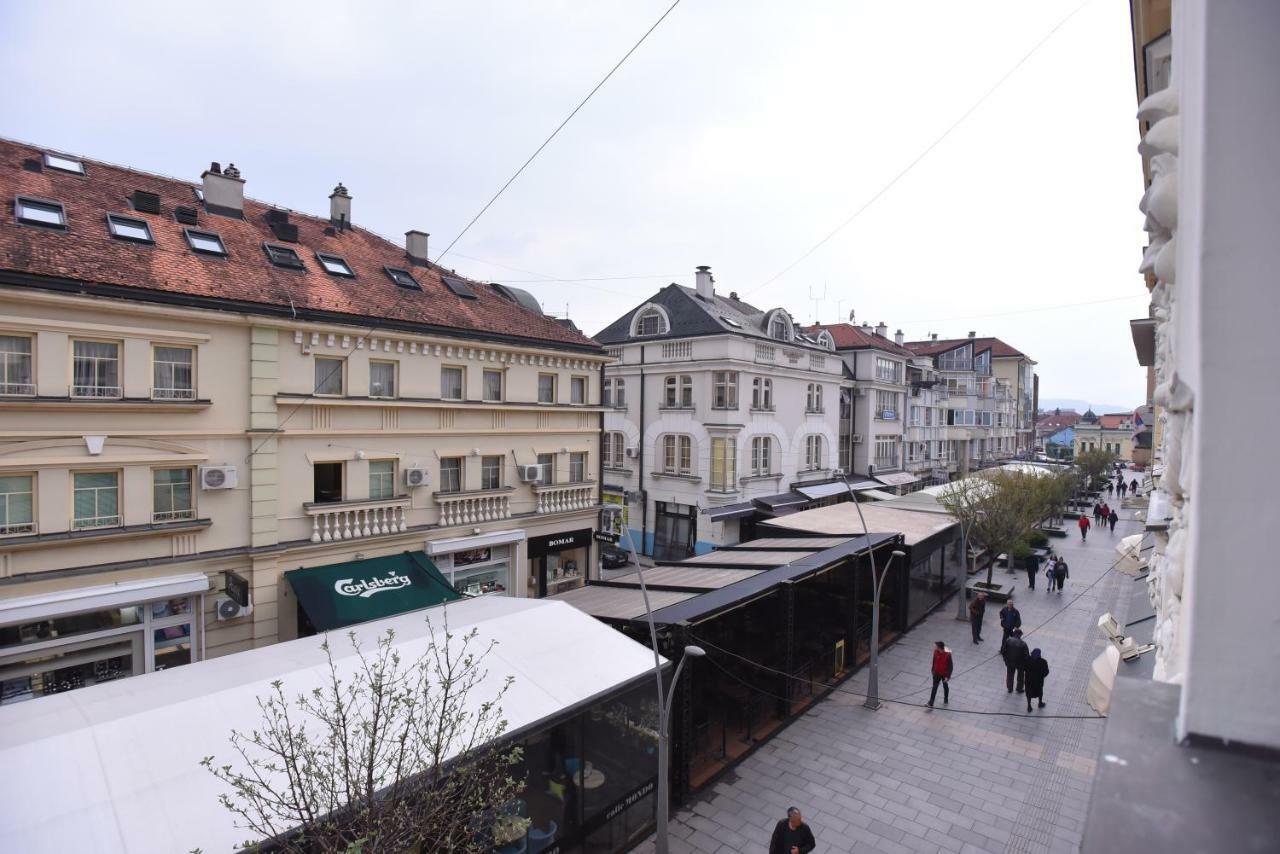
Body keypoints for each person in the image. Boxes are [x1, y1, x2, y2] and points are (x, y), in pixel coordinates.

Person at [1001, 628, 1029, 694]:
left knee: (1010, 674)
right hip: (1020, 663)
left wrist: (1005, 660)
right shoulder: (1023, 644)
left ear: (1014, 634)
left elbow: (1003, 651)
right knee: (1020, 676)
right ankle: (1019, 688)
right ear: (1020, 635)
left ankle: (1010, 688)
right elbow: (1026, 656)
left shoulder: (1008, 640)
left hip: (1010, 662)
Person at [928, 640, 953, 707]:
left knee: (945, 686)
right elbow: (934, 661)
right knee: (934, 687)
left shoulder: (948, 655)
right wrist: (933, 671)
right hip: (936, 673)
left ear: (939, 647)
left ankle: (946, 699)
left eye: (936, 646)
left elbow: (950, 666)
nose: (934, 647)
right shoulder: (935, 652)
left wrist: (948, 677)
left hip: (944, 674)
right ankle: (931, 702)